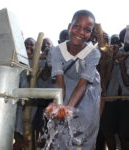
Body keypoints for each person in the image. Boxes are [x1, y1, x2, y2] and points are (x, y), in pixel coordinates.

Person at [50, 9, 101, 150]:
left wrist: (68, 110)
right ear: (69, 26)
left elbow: (83, 85)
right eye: (76, 26)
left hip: (88, 91)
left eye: (87, 29)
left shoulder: (93, 53)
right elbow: (60, 84)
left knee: (85, 131)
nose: (80, 32)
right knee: (60, 131)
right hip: (67, 86)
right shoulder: (57, 51)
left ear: (91, 34)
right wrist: (62, 108)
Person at [101, 27, 129, 150]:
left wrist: (122, 64)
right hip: (110, 99)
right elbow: (104, 82)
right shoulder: (111, 54)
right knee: (107, 130)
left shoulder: (124, 54)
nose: (117, 44)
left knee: (125, 134)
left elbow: (127, 82)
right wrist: (111, 60)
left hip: (126, 100)